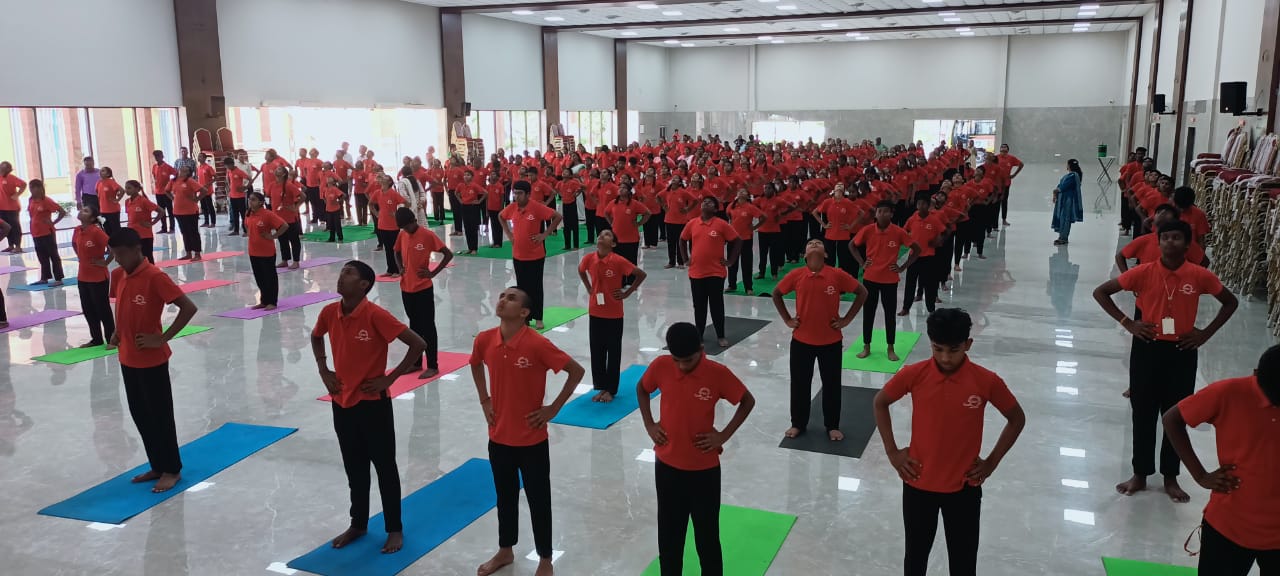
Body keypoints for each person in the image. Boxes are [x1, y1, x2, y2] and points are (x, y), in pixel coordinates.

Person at [1092, 220, 1238, 502]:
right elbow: (1101, 292)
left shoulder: (1199, 275)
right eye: (1165, 237)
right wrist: (1128, 322)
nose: (1170, 242)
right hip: (1147, 348)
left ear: (1187, 244)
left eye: (1176, 237)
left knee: (1177, 414)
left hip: (1182, 351)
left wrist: (1205, 334)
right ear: (1158, 242)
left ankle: (1171, 476)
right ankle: (1140, 473)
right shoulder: (1143, 272)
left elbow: (1230, 302)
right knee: (1142, 412)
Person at [872, 308, 1026, 576]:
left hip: (964, 488)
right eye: (938, 349)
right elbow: (880, 402)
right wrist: (893, 453)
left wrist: (990, 463)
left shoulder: (986, 381)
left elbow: (1016, 419)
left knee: (963, 562)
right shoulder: (914, 374)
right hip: (919, 484)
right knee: (915, 558)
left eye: (953, 350)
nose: (945, 357)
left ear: (968, 344)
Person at [311, 260, 428, 555]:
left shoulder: (375, 314)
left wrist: (390, 378)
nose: (341, 277)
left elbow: (418, 343)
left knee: (385, 466)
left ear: (364, 285)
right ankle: (358, 523)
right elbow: (316, 336)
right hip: (342, 401)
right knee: (355, 467)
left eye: (348, 273)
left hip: (373, 405)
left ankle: (394, 528)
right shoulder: (329, 312)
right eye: (342, 272)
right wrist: (324, 369)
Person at [470, 287, 586, 576]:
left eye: (511, 298)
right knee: (505, 497)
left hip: (532, 440)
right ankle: (505, 550)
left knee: (538, 499)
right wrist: (484, 399)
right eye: (502, 295)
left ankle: (545, 559)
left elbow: (576, 371)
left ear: (524, 313)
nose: (502, 300)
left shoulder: (537, 344)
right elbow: (475, 364)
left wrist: (553, 408)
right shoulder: (485, 339)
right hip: (499, 437)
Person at [636, 321, 756, 576]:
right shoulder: (661, 366)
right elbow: (642, 389)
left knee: (707, 538)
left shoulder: (717, 373)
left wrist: (723, 436)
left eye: (688, 360)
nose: (682, 366)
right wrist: (649, 424)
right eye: (676, 360)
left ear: (701, 350)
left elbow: (747, 401)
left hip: (704, 471)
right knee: (669, 537)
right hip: (667, 467)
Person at [1162, 345, 1280, 575]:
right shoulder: (1228, 392)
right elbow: (1172, 419)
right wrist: (1200, 475)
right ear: (1256, 374)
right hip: (1229, 526)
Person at [108, 227, 200, 493]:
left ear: (137, 249)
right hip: (127, 357)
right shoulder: (120, 275)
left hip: (151, 361)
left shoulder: (155, 277)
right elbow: (122, 307)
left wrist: (161, 338)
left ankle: (172, 469)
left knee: (160, 416)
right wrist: (118, 331)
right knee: (141, 415)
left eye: (121, 254)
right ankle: (157, 465)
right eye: (114, 254)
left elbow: (188, 308)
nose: (117, 260)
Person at [772, 239, 867, 441]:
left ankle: (832, 425)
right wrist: (788, 319)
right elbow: (777, 293)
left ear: (825, 254)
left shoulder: (836, 274)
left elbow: (862, 292)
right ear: (805, 255)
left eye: (818, 243)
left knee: (832, 385)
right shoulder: (797, 275)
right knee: (800, 385)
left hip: (830, 342)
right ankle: (798, 423)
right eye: (810, 243)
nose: (814, 243)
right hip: (801, 341)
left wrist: (846, 319)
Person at [577, 229, 647, 403]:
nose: (602, 236)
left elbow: (640, 274)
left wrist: (628, 292)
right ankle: (601, 387)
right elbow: (581, 270)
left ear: (613, 244)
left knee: (613, 352)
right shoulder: (589, 258)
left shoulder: (618, 261)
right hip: (595, 311)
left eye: (607, 235)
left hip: (614, 314)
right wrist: (589, 287)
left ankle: (611, 389)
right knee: (597, 351)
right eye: (601, 234)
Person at [851, 200, 920, 361]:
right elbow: (852, 245)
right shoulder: (867, 230)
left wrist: (902, 267)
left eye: (886, 211)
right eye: (879, 211)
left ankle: (890, 347)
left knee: (890, 315)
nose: (882, 214)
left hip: (890, 280)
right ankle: (866, 346)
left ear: (891, 214)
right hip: (870, 278)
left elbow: (916, 249)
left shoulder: (898, 232)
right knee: (868, 313)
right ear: (875, 214)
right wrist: (862, 263)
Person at [394, 207, 454, 378]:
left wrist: (433, 273)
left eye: (407, 226)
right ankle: (416, 362)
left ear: (414, 221)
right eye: (403, 228)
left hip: (423, 289)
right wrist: (400, 268)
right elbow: (396, 251)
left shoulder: (427, 235)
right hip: (406, 287)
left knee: (428, 327)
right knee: (414, 326)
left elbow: (447, 254)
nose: (406, 230)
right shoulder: (402, 234)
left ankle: (433, 365)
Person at [499, 181, 562, 330]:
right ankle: (525, 318)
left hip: (535, 255)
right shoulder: (512, 207)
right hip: (518, 254)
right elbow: (500, 216)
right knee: (522, 289)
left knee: (536, 287)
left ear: (528, 194)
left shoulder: (536, 207)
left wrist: (544, 235)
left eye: (520, 193)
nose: (517, 196)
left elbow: (558, 216)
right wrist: (509, 234)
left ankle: (538, 317)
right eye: (515, 193)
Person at [681, 197, 742, 348]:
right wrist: (685, 258)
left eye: (710, 203)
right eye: (704, 202)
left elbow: (737, 240)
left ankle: (720, 335)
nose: (705, 203)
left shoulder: (721, 224)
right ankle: (699, 336)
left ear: (715, 209)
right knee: (699, 306)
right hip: (696, 272)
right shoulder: (692, 223)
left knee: (716, 305)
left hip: (716, 272)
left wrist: (731, 261)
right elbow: (682, 239)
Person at [73, 205, 116, 348]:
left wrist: (105, 262)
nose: (81, 211)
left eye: (86, 211)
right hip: (82, 277)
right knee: (88, 309)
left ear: (92, 218)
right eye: (82, 209)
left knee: (103, 309)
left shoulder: (96, 231)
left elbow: (113, 247)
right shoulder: (78, 230)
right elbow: (74, 245)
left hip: (98, 277)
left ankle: (112, 339)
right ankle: (96, 339)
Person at [901, 195, 945, 315]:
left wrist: (938, 241)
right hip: (913, 257)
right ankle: (906, 308)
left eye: (924, 204)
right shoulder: (913, 218)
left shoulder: (934, 220)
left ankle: (931, 309)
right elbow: (904, 231)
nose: (921, 206)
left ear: (928, 205)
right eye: (919, 204)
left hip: (928, 257)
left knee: (929, 284)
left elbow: (943, 232)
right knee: (910, 284)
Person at [244, 192, 288, 310]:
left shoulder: (267, 214)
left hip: (266, 252)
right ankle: (264, 300)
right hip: (253, 251)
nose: (250, 202)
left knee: (270, 277)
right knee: (259, 277)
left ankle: (272, 301)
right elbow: (247, 226)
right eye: (250, 199)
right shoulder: (248, 213)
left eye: (253, 200)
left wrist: (273, 236)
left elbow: (284, 225)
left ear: (261, 202)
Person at [603, 184, 651, 286]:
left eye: (624, 188)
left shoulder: (634, 204)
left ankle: (631, 281)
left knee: (630, 261)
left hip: (631, 238)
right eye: (620, 188)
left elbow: (647, 213)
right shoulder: (613, 203)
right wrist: (611, 223)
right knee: (617, 261)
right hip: (617, 238)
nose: (621, 189)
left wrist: (639, 223)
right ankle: (620, 281)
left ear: (629, 191)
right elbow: (606, 213)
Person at [813, 183, 859, 278]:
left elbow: (860, 213)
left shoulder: (847, 202)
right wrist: (824, 225)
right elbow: (815, 212)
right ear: (834, 190)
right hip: (830, 235)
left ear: (843, 191)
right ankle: (829, 278)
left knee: (844, 260)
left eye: (841, 188)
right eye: (837, 187)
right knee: (830, 260)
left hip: (843, 235)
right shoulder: (828, 202)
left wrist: (850, 226)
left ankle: (842, 279)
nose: (839, 188)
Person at [27, 180, 67, 287]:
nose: (34, 190)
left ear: (41, 188)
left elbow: (62, 211)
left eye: (36, 187)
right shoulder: (31, 200)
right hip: (36, 233)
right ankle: (44, 278)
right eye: (32, 188)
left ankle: (58, 278)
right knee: (42, 256)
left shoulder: (46, 201)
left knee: (53, 255)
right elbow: (32, 215)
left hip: (47, 232)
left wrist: (53, 222)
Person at [167, 166, 211, 261]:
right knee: (184, 232)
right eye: (181, 170)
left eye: (185, 171)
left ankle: (197, 253)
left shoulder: (190, 181)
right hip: (178, 211)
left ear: (188, 173)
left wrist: (197, 199)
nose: (182, 172)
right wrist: (173, 199)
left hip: (190, 211)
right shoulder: (173, 181)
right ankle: (188, 253)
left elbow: (204, 190)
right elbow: (166, 191)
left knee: (193, 232)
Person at [265, 167, 304, 270]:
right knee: (282, 240)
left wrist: (296, 207)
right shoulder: (272, 185)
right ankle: (285, 260)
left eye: (279, 170)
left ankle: (296, 261)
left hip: (290, 218)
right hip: (278, 218)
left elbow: (303, 196)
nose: (276, 171)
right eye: (276, 169)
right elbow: (268, 198)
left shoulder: (288, 185)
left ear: (283, 174)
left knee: (294, 240)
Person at [725, 189, 764, 294]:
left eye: (744, 192)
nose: (741, 192)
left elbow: (763, 217)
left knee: (746, 264)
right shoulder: (731, 205)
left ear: (747, 196)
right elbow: (728, 214)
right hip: (733, 239)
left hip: (746, 239)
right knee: (732, 263)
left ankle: (748, 287)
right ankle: (732, 285)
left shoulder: (750, 207)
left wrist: (755, 227)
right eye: (740, 191)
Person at [371, 175, 408, 276]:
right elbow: (370, 203)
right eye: (382, 178)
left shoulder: (393, 193)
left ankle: (397, 270)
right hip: (382, 225)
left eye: (385, 178)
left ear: (389, 182)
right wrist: (376, 214)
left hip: (393, 226)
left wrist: (398, 214)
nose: (382, 179)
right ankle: (390, 270)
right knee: (387, 249)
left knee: (395, 248)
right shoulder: (377, 193)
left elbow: (406, 203)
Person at [124, 180, 162, 263]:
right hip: (133, 234)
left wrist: (152, 223)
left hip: (144, 235)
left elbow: (161, 211)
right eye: (126, 188)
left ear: (137, 189)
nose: (126, 190)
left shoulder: (143, 201)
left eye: (129, 188)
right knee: (136, 257)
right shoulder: (127, 202)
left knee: (147, 257)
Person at [1051, 159, 1083, 245]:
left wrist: (1055, 191)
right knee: (1063, 218)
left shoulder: (1073, 176)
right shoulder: (1072, 175)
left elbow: (1063, 186)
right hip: (1065, 200)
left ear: (1069, 165)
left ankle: (1063, 238)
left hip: (1067, 200)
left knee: (1065, 218)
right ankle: (1062, 237)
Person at [457, 170, 487, 254]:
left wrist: (479, 201)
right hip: (464, 207)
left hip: (473, 207)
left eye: (468, 175)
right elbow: (456, 193)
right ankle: (470, 248)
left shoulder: (474, 185)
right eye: (465, 175)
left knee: (473, 228)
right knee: (467, 228)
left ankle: (474, 249)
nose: (466, 176)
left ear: (472, 177)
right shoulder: (460, 185)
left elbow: (485, 193)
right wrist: (460, 201)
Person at [0, 161, 27, 252]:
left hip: (12, 208)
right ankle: (10, 245)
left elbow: (23, 184)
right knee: (6, 228)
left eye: (4, 169)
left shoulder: (11, 178)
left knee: (15, 227)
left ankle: (18, 246)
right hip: (1, 208)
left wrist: (17, 194)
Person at [996, 143, 1023, 227]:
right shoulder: (996, 158)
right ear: (1000, 149)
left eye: (1005, 147)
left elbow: (1021, 164)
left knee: (1004, 201)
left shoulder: (1011, 158)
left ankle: (1004, 219)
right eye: (1002, 147)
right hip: (996, 184)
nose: (1003, 148)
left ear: (1008, 150)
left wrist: (1014, 174)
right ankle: (994, 222)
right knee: (996, 203)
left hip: (1006, 183)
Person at [151, 150, 177, 234]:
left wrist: (171, 184)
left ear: (162, 156)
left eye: (158, 156)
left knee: (170, 210)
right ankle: (164, 228)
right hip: (158, 193)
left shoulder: (167, 167)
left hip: (166, 193)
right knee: (161, 211)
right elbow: (154, 176)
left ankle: (172, 228)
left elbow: (176, 174)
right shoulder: (154, 167)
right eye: (155, 156)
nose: (157, 158)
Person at [224, 157, 250, 236]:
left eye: (227, 166)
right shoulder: (229, 171)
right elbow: (229, 181)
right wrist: (229, 190)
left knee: (243, 214)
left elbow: (250, 179)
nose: (227, 167)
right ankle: (236, 230)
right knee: (235, 214)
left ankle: (246, 231)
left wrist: (245, 187)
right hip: (232, 196)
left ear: (231, 164)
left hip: (240, 196)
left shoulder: (239, 171)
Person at [96, 166, 125, 236]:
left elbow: (122, 190)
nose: (100, 172)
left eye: (103, 171)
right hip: (103, 211)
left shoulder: (111, 182)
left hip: (113, 211)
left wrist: (117, 200)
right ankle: (110, 243)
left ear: (108, 174)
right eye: (100, 170)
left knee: (115, 230)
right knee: (107, 229)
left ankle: (119, 242)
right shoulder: (98, 183)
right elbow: (97, 193)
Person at [197, 153, 217, 228]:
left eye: (200, 157)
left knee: (210, 207)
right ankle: (206, 222)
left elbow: (215, 177)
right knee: (203, 207)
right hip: (201, 190)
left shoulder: (208, 167)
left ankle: (213, 222)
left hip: (207, 191)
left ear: (204, 158)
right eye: (199, 156)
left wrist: (208, 184)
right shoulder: (198, 167)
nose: (199, 158)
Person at [322, 176, 346, 242]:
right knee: (331, 224)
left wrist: (339, 201)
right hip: (328, 209)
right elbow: (323, 196)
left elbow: (343, 195)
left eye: (330, 179)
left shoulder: (335, 189)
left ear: (333, 182)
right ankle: (331, 238)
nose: (328, 180)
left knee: (337, 224)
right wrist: (326, 202)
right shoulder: (325, 189)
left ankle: (340, 237)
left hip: (335, 209)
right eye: (328, 179)